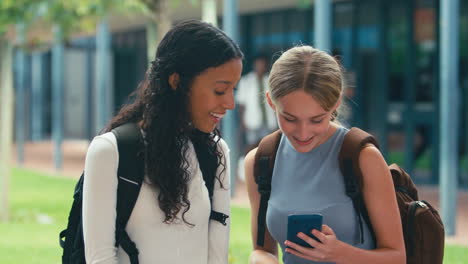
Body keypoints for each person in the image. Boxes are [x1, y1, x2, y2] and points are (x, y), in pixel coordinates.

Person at [82, 20, 243, 264]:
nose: (230, 103)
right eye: (220, 91)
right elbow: (100, 258)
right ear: (176, 82)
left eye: (233, 89)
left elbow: (217, 256)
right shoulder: (111, 151)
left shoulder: (216, 152)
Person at [244, 46, 405, 264]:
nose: (303, 133)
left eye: (317, 119)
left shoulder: (363, 158)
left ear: (336, 103)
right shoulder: (261, 160)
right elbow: (261, 249)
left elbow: (397, 257)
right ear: (271, 101)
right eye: (289, 118)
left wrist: (340, 253)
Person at [237, 53, 277, 152]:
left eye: (263, 64)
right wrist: (242, 122)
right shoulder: (246, 81)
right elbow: (242, 104)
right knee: (252, 146)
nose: (261, 67)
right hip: (252, 121)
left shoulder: (270, 80)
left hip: (268, 121)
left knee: (268, 146)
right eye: (259, 64)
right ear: (254, 65)